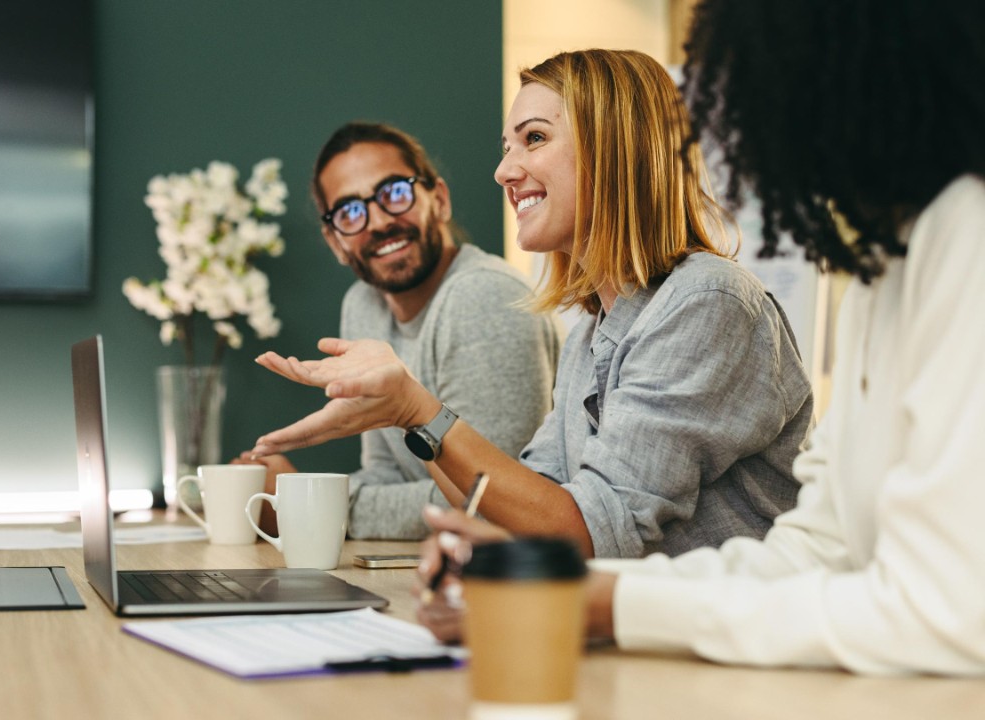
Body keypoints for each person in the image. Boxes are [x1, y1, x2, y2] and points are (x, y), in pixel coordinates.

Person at [420, 0, 985, 675]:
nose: (740, 121)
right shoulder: (882, 267)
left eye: (533, 140)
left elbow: (947, 617)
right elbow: (813, 551)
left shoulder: (964, 235)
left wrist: (609, 606)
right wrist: (561, 583)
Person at [251, 49, 813, 560]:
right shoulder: (592, 333)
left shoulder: (706, 301)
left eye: (535, 138)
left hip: (725, 654)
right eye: (506, 148)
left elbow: (590, 532)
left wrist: (414, 409)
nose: (503, 171)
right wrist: (405, 419)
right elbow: (523, 506)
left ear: (612, 146)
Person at [242, 122, 561, 540]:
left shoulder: (484, 296)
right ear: (336, 241)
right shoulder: (363, 305)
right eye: (350, 212)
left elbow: (492, 507)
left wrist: (305, 505)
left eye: (394, 192)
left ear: (440, 200)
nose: (377, 222)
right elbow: (386, 475)